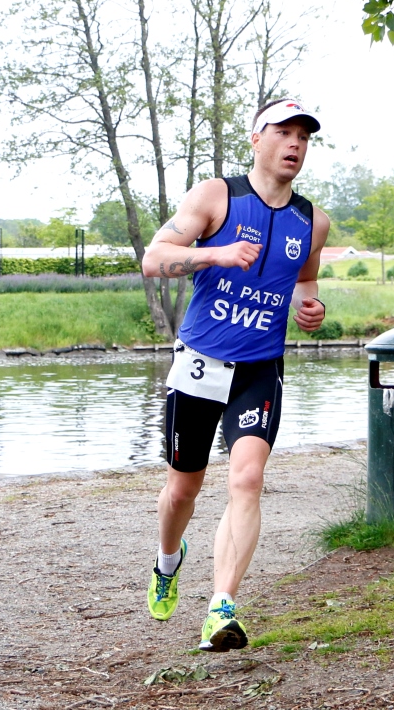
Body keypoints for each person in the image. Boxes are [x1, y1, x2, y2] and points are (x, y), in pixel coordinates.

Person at [140, 98, 329, 652]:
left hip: (259, 368)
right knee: (183, 489)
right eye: (284, 132)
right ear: (256, 138)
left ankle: (221, 608)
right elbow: (155, 258)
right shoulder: (215, 195)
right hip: (200, 363)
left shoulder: (311, 221)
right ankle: (168, 560)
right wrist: (215, 256)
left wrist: (311, 310)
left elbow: (305, 285)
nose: (294, 144)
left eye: (304, 136)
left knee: (246, 479)